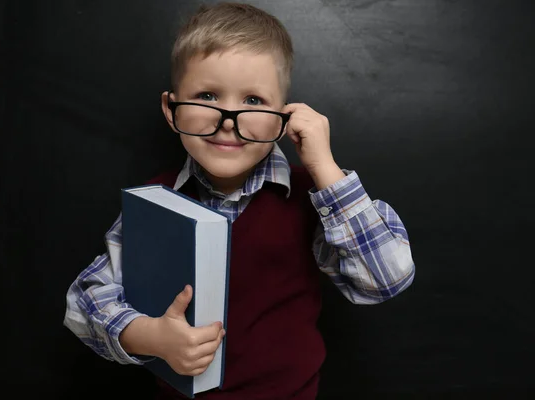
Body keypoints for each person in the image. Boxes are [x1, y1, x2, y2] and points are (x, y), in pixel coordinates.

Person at [63, 2, 415, 399]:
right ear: (170, 108)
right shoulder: (155, 201)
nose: (228, 121)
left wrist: (326, 169)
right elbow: (84, 299)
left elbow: (386, 280)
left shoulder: (314, 200)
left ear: (282, 118)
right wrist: (148, 335)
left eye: (252, 102)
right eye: (208, 95)